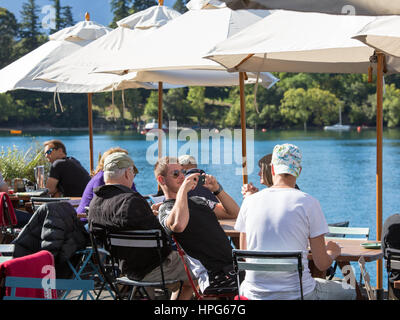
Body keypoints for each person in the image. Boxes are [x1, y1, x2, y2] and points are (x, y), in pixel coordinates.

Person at [235, 143, 356, 300]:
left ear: (272, 169)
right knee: (350, 290)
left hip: (253, 294)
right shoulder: (309, 203)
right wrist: (333, 252)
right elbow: (321, 264)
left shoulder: (249, 201)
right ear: (298, 171)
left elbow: (244, 254)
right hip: (299, 294)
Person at [88, 152, 193, 300]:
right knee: (202, 268)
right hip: (154, 268)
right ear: (127, 173)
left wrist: (149, 216)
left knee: (184, 279)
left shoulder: (95, 204)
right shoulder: (131, 200)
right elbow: (162, 240)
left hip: (125, 269)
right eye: (133, 173)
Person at [155, 156, 240, 294]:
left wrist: (217, 189)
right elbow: (178, 225)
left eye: (183, 172)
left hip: (231, 266)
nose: (182, 177)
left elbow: (234, 213)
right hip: (213, 274)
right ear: (161, 180)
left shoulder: (198, 200)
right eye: (176, 174)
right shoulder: (165, 210)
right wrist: (183, 190)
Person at [76, 147, 137, 214]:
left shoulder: (124, 176)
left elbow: (134, 195)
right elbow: (99, 204)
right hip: (86, 218)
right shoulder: (102, 177)